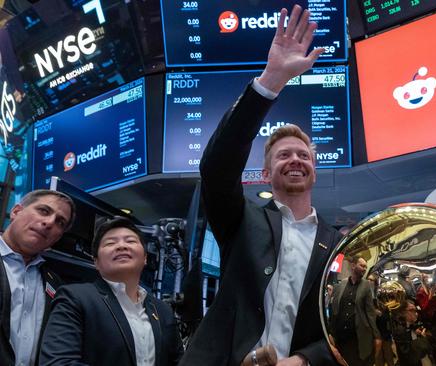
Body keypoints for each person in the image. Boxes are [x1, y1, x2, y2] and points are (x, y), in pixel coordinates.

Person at [180, 5, 341, 366]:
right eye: (283, 156)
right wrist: (272, 79)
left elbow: (346, 324)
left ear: (314, 170)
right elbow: (217, 166)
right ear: (266, 175)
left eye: (303, 155)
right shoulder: (241, 221)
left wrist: (302, 361)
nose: (295, 160)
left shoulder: (339, 245)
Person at [39, 216, 183, 365]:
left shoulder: (162, 310)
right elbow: (58, 362)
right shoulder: (75, 298)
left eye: (130, 241)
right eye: (110, 243)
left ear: (145, 258)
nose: (121, 246)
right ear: (96, 262)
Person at [0, 189, 75, 366]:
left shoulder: (56, 284)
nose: (49, 223)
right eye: (44, 211)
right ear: (16, 211)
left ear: (58, 237)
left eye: (60, 222)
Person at [330, 256, 381, 366]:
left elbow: (370, 312)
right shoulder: (341, 285)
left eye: (366, 267)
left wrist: (377, 336)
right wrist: (331, 332)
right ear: (353, 266)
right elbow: (335, 310)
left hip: (358, 337)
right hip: (340, 337)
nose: (364, 268)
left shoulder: (366, 285)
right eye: (362, 265)